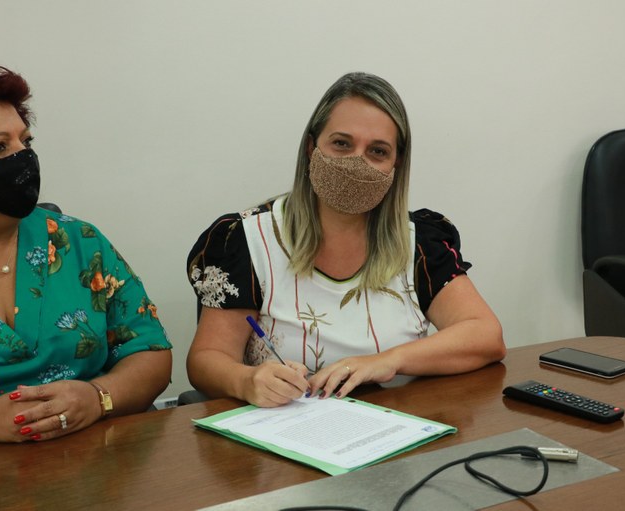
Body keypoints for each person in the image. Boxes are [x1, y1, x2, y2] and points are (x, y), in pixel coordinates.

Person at [186, 72, 505, 408]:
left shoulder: (420, 243)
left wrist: (387, 362)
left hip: (396, 426)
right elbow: (206, 360)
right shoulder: (247, 240)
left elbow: (485, 335)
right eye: (341, 144)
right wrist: (246, 381)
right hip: (287, 428)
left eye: (378, 151)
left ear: (396, 164)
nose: (357, 163)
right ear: (311, 148)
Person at [0, 65, 172, 453]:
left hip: (95, 460)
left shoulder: (77, 241)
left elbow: (150, 351)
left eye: (25, 141)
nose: (23, 157)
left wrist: (98, 397)